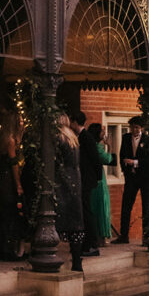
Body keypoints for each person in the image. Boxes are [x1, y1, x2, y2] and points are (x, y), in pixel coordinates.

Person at [112, 115, 149, 244]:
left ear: (141, 128)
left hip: (145, 178)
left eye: (136, 127)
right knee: (126, 205)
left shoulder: (148, 140)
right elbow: (121, 155)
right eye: (132, 127)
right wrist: (126, 170)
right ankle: (124, 235)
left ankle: (146, 236)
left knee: (146, 206)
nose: (134, 130)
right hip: (131, 177)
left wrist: (134, 162)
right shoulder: (125, 138)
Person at [54, 113, 85, 272]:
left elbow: (55, 162)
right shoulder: (73, 137)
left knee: (59, 217)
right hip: (75, 180)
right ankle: (77, 261)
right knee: (75, 221)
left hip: (62, 181)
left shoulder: (59, 138)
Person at [0, 110, 26, 261]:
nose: (22, 123)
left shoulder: (4, 138)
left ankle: (4, 247)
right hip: (7, 177)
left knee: (5, 213)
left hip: (1, 175)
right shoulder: (11, 141)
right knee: (9, 213)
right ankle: (7, 249)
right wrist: (18, 183)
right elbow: (13, 163)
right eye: (20, 121)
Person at [70, 111, 100, 257]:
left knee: (86, 211)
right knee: (83, 211)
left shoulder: (86, 137)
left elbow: (95, 158)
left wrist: (96, 178)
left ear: (75, 122)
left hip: (87, 180)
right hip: (83, 179)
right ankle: (86, 243)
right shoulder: (80, 137)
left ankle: (92, 244)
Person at [87, 122, 114, 244]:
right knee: (102, 205)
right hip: (98, 179)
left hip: (90, 177)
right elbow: (108, 159)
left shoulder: (90, 144)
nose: (104, 133)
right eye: (102, 131)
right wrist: (109, 146)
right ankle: (101, 236)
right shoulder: (98, 146)